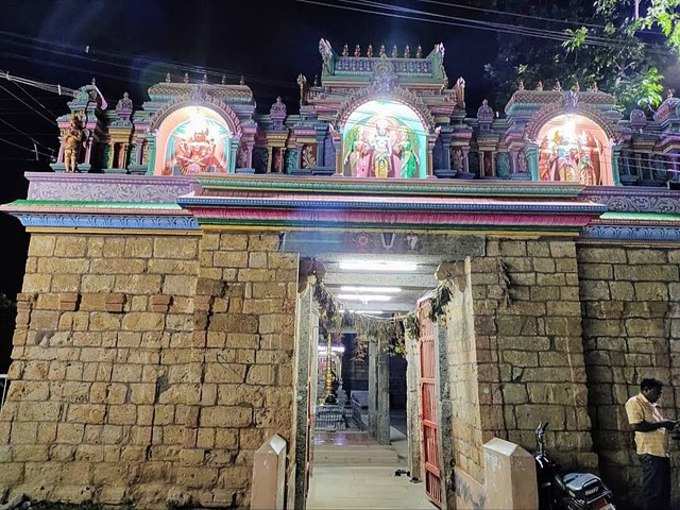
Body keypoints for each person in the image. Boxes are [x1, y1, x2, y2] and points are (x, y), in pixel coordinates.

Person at [625, 378, 677, 510]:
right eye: (656, 393)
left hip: (662, 452)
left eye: (660, 393)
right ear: (645, 390)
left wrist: (671, 424)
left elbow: (658, 426)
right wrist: (664, 423)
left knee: (664, 491)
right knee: (653, 491)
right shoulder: (634, 402)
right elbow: (637, 425)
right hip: (650, 453)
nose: (658, 396)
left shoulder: (654, 406)